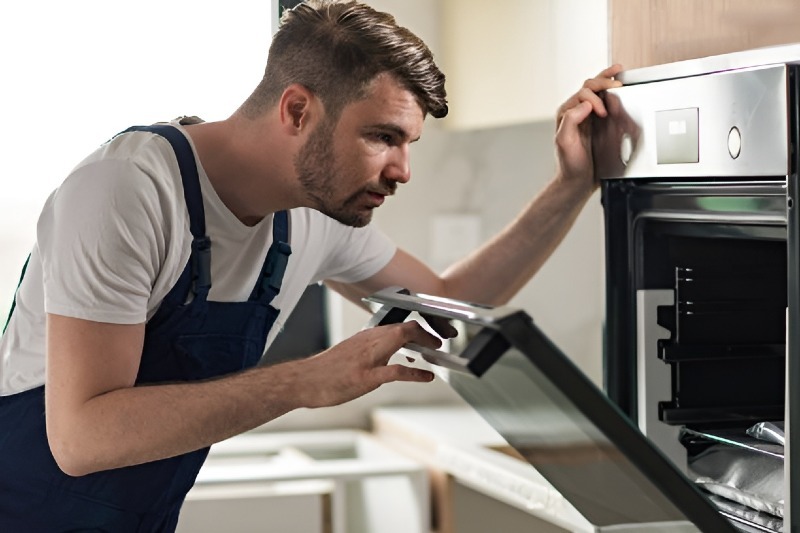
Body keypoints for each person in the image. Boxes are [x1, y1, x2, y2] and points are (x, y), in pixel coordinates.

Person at [0, 0, 622, 530]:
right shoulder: (127, 191)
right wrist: (304, 381)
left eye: (408, 144)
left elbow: (445, 302)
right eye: (383, 137)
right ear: (298, 111)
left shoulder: (310, 217)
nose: (402, 170)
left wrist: (571, 185)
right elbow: (83, 439)